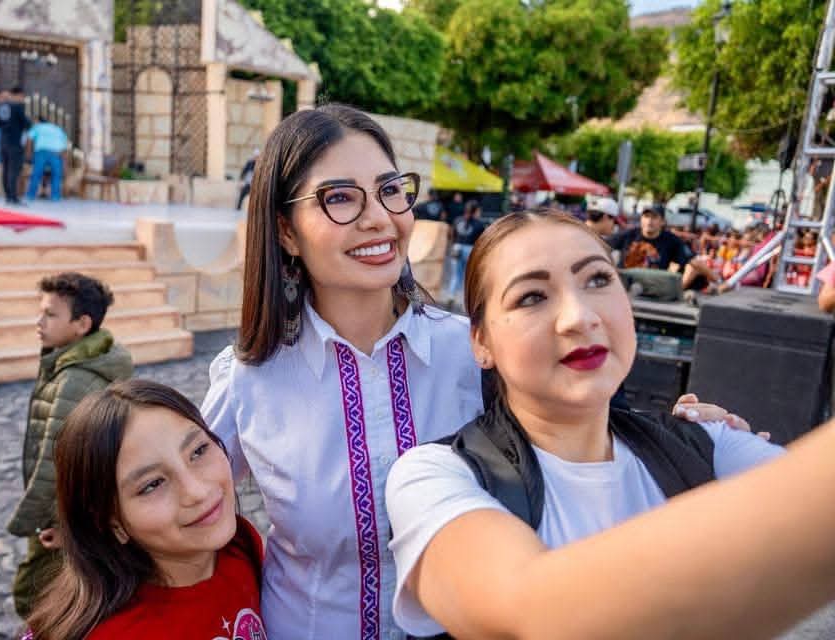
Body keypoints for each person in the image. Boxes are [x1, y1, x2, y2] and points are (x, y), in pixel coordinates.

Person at [201, 104, 747, 640]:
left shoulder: (479, 349)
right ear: (286, 231)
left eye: (390, 190)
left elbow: (592, 436)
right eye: (340, 197)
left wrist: (681, 438)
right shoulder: (249, 379)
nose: (379, 217)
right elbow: (179, 505)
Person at [382, 211, 835, 640]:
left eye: (598, 279)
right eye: (532, 297)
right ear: (481, 342)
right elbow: (530, 614)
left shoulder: (707, 445)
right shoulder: (434, 478)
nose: (580, 317)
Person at [25, 380, 265, 640]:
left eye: (198, 451)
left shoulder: (241, 544)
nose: (197, 491)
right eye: (152, 484)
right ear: (111, 521)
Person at [7, 272, 133, 619]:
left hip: (63, 514)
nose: (39, 322)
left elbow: (57, 462)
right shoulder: (66, 360)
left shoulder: (76, 379)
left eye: (50, 314)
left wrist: (44, 521)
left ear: (82, 324)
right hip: (65, 512)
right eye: (40, 312)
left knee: (33, 594)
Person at [607, 206, 716, 290]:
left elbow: (694, 262)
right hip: (624, 285)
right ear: (641, 219)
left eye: (654, 217)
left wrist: (718, 281)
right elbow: (602, 246)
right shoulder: (629, 234)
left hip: (653, 289)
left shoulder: (671, 240)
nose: (649, 221)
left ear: (662, 221)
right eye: (646, 216)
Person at [0, 85, 31, 204]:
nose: (23, 99)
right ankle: (13, 197)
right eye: (22, 97)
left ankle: (8, 196)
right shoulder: (17, 107)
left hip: (3, 142)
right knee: (14, 170)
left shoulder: (0, 107)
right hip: (15, 142)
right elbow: (26, 124)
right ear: (18, 95)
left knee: (6, 170)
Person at [446, 200, 484, 307]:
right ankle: (465, 301)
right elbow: (481, 240)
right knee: (467, 277)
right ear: (476, 211)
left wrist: (454, 245)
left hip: (456, 248)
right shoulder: (479, 224)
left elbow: (451, 234)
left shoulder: (457, 220)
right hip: (470, 249)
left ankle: (451, 296)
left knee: (455, 275)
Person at [25, 117, 69, 201]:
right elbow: (64, 145)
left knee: (36, 174)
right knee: (56, 175)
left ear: (39, 122)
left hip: (42, 151)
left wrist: (28, 154)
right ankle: (55, 196)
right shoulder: (57, 128)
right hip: (56, 152)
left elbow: (29, 139)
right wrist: (64, 162)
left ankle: (30, 195)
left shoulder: (37, 127)